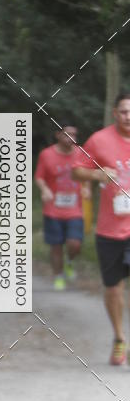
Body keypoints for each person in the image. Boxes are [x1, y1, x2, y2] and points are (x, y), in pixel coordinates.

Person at [73, 94, 130, 365]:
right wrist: (97, 174)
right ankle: (119, 338)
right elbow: (76, 171)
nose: (128, 116)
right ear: (115, 113)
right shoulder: (99, 140)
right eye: (124, 111)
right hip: (110, 229)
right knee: (113, 289)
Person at [35, 124, 86, 290]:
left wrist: (86, 187)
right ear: (58, 135)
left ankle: (69, 262)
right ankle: (58, 275)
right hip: (53, 210)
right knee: (56, 245)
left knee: (74, 243)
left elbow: (88, 173)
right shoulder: (46, 154)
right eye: (67, 134)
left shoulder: (81, 153)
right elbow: (39, 177)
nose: (72, 138)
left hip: (75, 209)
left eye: (74, 135)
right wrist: (44, 189)